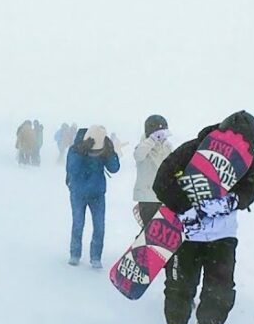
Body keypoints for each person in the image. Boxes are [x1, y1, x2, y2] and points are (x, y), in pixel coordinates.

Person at [152, 111, 254, 324]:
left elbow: (250, 192)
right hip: (186, 234)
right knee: (179, 284)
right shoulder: (192, 148)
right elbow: (161, 181)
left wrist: (231, 202)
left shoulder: (250, 161)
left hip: (223, 236)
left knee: (221, 288)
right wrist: (185, 206)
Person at [65, 125, 120, 268]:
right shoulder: (75, 149)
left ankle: (96, 257)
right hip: (78, 193)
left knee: (99, 226)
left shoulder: (103, 148)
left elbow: (114, 168)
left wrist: (110, 153)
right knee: (78, 223)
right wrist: (79, 152)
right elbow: (72, 170)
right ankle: (75, 254)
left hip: (97, 194)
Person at [132, 114, 174, 225]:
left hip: (164, 197)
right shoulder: (143, 146)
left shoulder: (167, 146)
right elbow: (138, 155)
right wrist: (151, 140)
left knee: (163, 232)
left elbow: (172, 166)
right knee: (148, 232)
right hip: (147, 198)